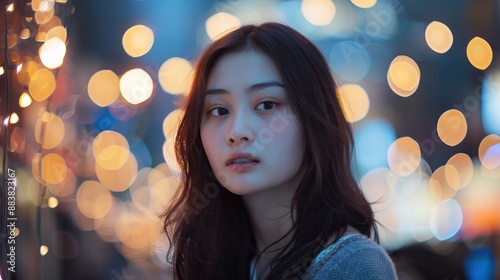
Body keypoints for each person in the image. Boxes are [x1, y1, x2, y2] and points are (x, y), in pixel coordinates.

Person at [162, 22, 397, 279]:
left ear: (313, 119)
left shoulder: (353, 267)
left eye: (267, 104)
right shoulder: (222, 261)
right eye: (219, 110)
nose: (237, 131)